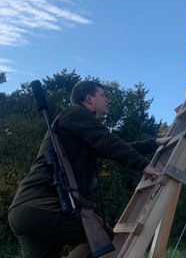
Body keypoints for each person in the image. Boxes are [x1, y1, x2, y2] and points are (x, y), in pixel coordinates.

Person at [8, 80, 171, 258]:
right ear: (89, 99)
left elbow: (112, 146)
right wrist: (142, 164)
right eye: (102, 95)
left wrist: (153, 143)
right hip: (43, 207)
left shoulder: (74, 124)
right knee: (100, 236)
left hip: (24, 210)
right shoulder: (76, 112)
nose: (107, 99)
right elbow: (107, 142)